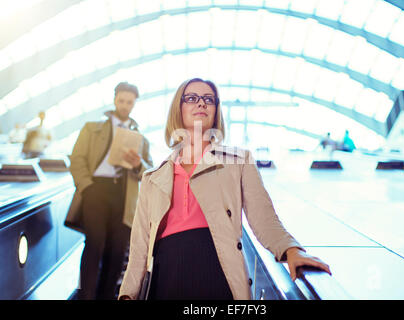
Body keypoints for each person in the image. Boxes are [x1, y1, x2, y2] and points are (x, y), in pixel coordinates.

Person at [118, 78, 330, 300]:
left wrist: (291, 250)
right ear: (177, 109)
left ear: (216, 111)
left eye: (208, 99)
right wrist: (127, 295)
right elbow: (139, 245)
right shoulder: (153, 178)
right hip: (166, 277)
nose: (201, 104)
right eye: (191, 98)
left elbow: (263, 218)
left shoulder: (238, 162)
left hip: (217, 273)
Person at [65, 82, 153, 300]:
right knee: (94, 244)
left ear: (134, 104)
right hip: (96, 190)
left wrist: (136, 164)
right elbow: (76, 159)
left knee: (117, 251)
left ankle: (105, 297)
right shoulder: (91, 129)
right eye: (121, 100)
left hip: (124, 196)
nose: (124, 105)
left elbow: (149, 172)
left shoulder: (141, 139)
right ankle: (86, 296)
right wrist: (87, 186)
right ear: (115, 100)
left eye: (129, 102)